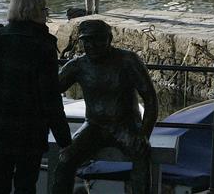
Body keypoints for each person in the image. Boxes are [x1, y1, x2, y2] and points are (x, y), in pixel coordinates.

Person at [0, 0, 72, 194]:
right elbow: (50, 96)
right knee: (26, 184)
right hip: (31, 128)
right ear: (34, 11)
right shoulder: (43, 44)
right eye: (45, 9)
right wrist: (64, 139)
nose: (47, 14)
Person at [53, 19, 158, 194]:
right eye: (86, 41)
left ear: (109, 39)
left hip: (125, 125)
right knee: (66, 158)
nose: (91, 45)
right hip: (94, 125)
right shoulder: (78, 66)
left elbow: (151, 100)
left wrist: (144, 134)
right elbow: (51, 91)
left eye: (97, 39)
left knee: (141, 153)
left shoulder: (128, 61)